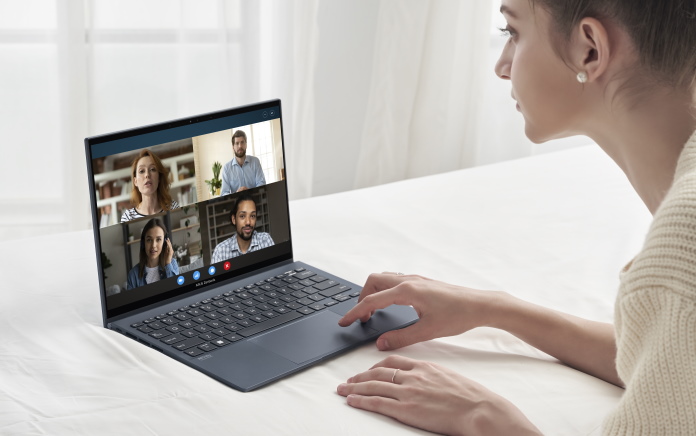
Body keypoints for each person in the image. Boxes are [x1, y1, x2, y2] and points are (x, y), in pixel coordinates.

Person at [336, 0, 696, 434]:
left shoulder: (680, 251)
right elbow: (671, 361)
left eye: (513, 32)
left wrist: (486, 418)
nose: (502, 67)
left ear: (590, 51)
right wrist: (494, 309)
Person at [211, 193, 274, 263]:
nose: (248, 222)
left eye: (252, 216)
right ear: (234, 219)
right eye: (242, 216)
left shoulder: (265, 241)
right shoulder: (220, 252)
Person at [121, 149, 180, 222]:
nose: (147, 175)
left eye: (152, 169)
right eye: (141, 171)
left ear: (159, 178)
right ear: (135, 181)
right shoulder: (128, 217)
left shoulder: (173, 207)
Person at [126, 218, 179, 290]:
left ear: (165, 242)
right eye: (149, 240)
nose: (153, 245)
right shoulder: (133, 275)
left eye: (158, 239)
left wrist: (167, 263)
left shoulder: (172, 264)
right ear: (143, 243)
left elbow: (176, 293)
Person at [220, 130, 266, 195]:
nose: (240, 146)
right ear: (233, 147)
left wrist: (250, 191)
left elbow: (262, 184)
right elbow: (224, 193)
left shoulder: (255, 162)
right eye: (237, 143)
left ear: (246, 145)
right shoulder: (226, 168)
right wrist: (236, 194)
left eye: (242, 142)